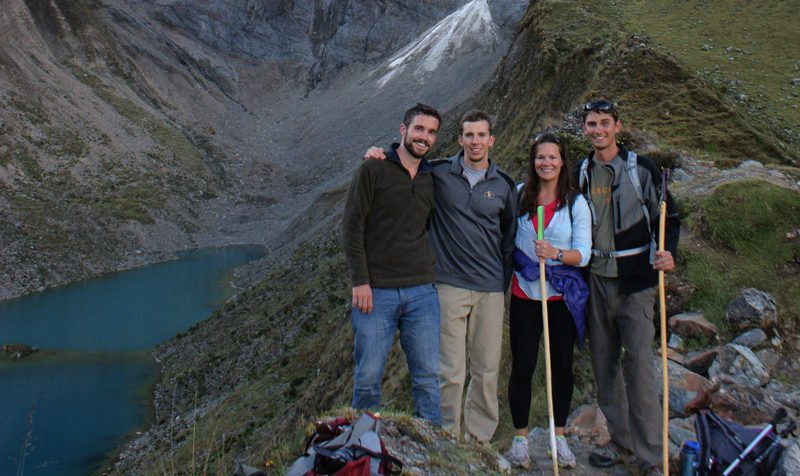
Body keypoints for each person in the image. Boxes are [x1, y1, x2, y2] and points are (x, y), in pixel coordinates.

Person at [364, 110, 517, 443]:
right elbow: (406, 165)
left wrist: (500, 284)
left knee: (487, 369)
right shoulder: (440, 173)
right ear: (459, 139)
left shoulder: (503, 185)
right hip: (448, 286)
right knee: (449, 371)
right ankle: (448, 437)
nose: (475, 142)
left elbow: (509, 237)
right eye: (469, 135)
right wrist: (379, 155)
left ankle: (479, 440)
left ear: (491, 140)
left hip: (490, 290)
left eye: (481, 135)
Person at [577, 99, 680, 476]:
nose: (598, 130)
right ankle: (623, 445)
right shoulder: (583, 170)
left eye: (605, 123)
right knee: (605, 370)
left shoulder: (642, 170)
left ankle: (653, 458)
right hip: (597, 281)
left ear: (618, 126)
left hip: (635, 282)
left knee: (639, 367)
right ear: (585, 129)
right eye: (592, 124)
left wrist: (669, 253)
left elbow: (669, 214)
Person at [342, 103, 443, 424]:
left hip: (423, 293)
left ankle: (432, 447)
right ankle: (361, 444)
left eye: (431, 132)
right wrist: (360, 281)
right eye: (418, 129)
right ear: (403, 130)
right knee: (369, 376)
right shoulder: (372, 169)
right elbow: (352, 225)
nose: (424, 137)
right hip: (376, 293)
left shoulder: (432, 176)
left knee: (427, 376)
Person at [505, 133, 592, 470]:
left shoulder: (576, 203)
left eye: (552, 157)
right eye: (541, 157)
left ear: (562, 161)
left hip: (561, 297)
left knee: (560, 366)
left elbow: (583, 255)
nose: (546, 163)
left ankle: (560, 436)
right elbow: (507, 237)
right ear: (533, 161)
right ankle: (520, 439)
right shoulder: (519, 196)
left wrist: (554, 253)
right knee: (523, 366)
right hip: (525, 293)